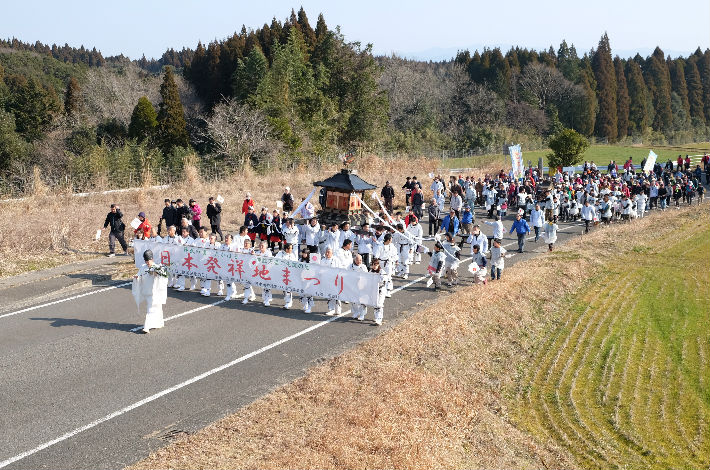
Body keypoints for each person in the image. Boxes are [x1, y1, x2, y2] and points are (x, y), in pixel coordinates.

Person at [132, 249, 168, 334]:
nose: (147, 262)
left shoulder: (157, 267)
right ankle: (159, 323)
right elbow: (139, 275)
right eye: (146, 260)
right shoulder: (143, 267)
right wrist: (137, 277)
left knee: (151, 308)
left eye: (148, 260)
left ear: (152, 259)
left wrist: (156, 273)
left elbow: (164, 276)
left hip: (155, 292)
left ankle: (146, 326)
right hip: (147, 291)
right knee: (156, 308)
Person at [320, 247, 343, 315]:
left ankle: (338, 308)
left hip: (335, 280)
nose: (327, 254)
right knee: (329, 295)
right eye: (326, 252)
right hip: (327, 280)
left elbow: (340, 269)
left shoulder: (336, 260)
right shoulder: (323, 260)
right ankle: (331, 309)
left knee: (336, 295)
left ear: (332, 253)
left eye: (328, 252)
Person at [276, 243, 297, 309]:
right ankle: (287, 300)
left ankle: (289, 302)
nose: (291, 250)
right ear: (286, 249)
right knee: (284, 288)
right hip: (282, 273)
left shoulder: (292, 255)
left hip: (289, 274)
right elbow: (275, 261)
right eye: (290, 248)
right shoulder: (280, 254)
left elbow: (296, 264)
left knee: (288, 288)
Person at [366, 258, 386, 325]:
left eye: (375, 265)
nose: (374, 266)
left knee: (379, 304)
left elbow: (383, 281)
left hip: (381, 290)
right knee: (375, 304)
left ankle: (379, 319)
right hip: (374, 290)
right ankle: (376, 317)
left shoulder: (382, 272)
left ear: (378, 265)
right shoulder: (370, 271)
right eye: (373, 265)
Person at [349, 254, 368, 320]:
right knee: (353, 300)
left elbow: (367, 276)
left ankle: (362, 314)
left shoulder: (363, 267)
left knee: (362, 301)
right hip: (353, 286)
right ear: (354, 260)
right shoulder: (350, 266)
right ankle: (356, 312)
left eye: (360, 260)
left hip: (361, 286)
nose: (359, 261)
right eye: (358, 260)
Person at [299, 248, 315, 313]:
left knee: (309, 294)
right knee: (302, 293)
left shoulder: (311, 261)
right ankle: (305, 304)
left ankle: (309, 307)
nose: (304, 254)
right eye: (303, 253)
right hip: (302, 279)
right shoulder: (300, 260)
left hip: (309, 280)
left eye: (305, 253)